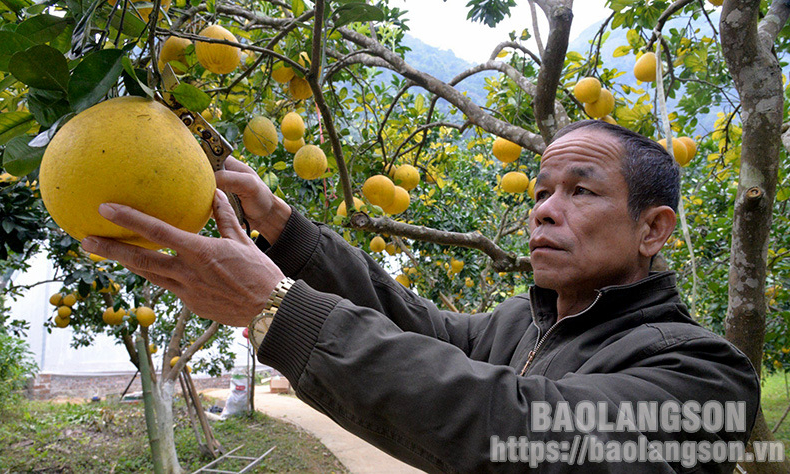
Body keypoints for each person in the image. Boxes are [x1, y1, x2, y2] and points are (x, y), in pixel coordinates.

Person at [82, 120, 760, 472]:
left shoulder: (703, 377)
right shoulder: (520, 326)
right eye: (541, 191)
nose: (544, 212)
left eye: (579, 191)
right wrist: (281, 226)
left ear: (653, 228)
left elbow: (518, 427)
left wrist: (274, 308)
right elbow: (407, 323)